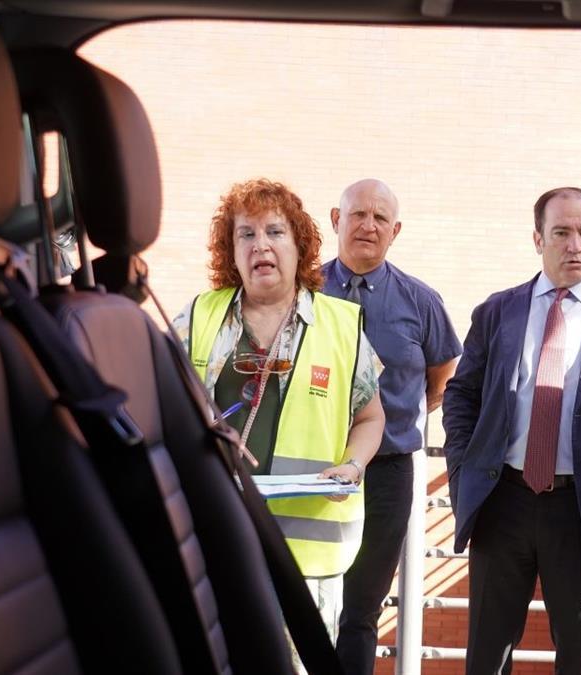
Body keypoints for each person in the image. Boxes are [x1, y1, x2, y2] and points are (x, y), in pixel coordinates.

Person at [443, 187, 581, 674]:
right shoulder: (497, 311)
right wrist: (463, 469)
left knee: (578, 655)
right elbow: (460, 396)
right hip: (501, 502)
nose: (575, 245)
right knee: (487, 652)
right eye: (562, 233)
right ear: (537, 238)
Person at [172, 178, 384, 671]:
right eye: (245, 235)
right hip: (216, 535)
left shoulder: (341, 324)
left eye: (274, 232)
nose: (260, 245)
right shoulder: (200, 316)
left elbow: (372, 418)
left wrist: (352, 465)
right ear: (232, 250)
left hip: (304, 558)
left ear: (300, 245)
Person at [321, 179, 462, 675]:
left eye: (381, 218)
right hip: (313, 472)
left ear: (395, 230)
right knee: (310, 600)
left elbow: (442, 377)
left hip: (387, 475)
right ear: (336, 221)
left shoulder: (420, 301)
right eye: (358, 214)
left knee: (361, 610)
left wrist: (388, 418)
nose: (368, 225)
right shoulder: (303, 293)